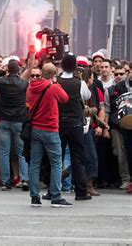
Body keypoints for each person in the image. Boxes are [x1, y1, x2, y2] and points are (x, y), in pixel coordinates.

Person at [27, 63, 72, 207]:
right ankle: (56, 196)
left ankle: (34, 197)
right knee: (56, 164)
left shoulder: (30, 88)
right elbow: (65, 99)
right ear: (53, 75)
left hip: (35, 129)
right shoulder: (53, 87)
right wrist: (56, 84)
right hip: (51, 129)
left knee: (34, 164)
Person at [57, 53, 92, 201]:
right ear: (76, 67)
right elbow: (87, 96)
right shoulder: (80, 83)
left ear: (62, 66)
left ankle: (54, 189)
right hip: (75, 123)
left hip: (59, 123)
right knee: (77, 158)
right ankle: (81, 191)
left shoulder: (56, 82)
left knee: (57, 157)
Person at [0, 59, 29, 190]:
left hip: (4, 120)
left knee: (4, 152)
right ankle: (24, 179)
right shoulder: (22, 83)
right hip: (19, 120)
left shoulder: (0, 82)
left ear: (7, 70)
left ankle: (5, 181)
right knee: (21, 152)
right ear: (18, 71)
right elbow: (30, 68)